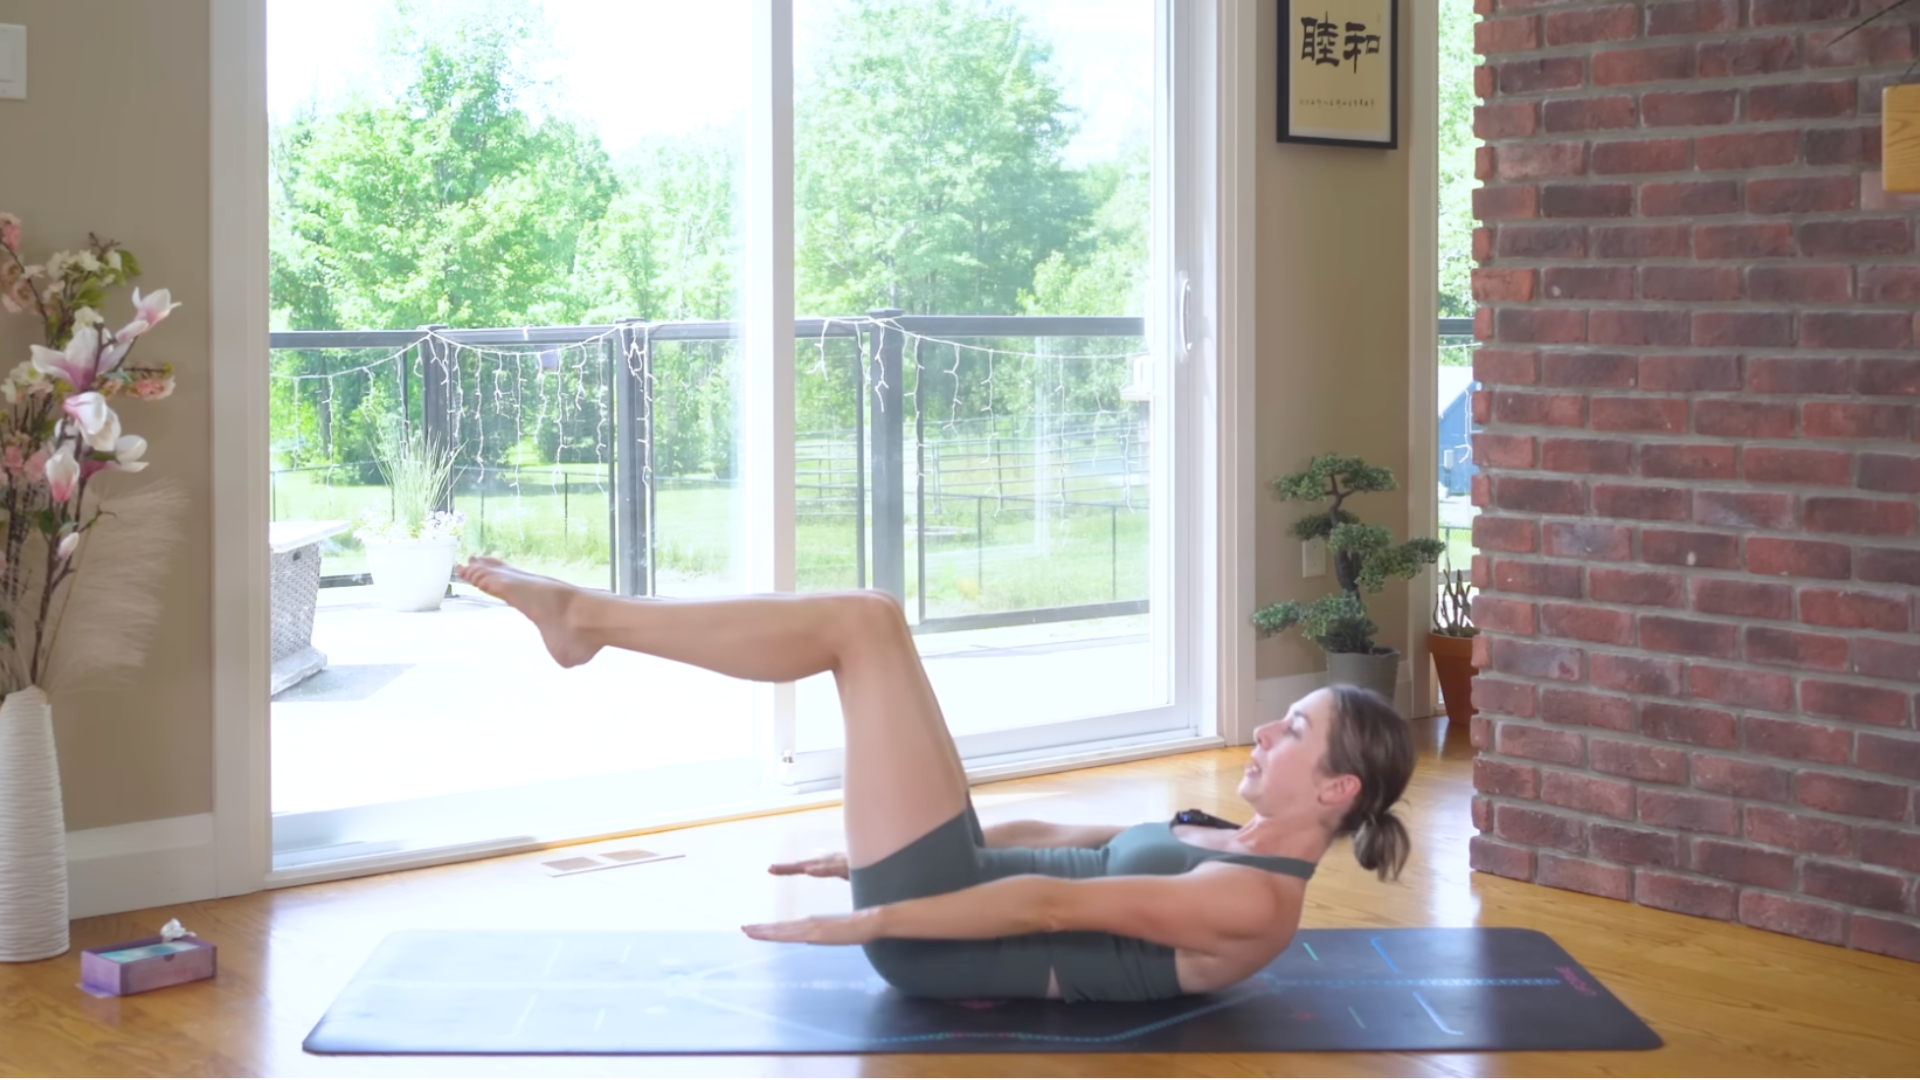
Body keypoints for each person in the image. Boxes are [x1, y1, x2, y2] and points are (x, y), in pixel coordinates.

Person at [455, 558, 1416, 1003]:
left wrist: (869, 917)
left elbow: (1044, 906)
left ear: (1336, 792)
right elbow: (1055, 844)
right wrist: (862, 857)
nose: (1261, 729)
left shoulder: (1254, 906)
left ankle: (588, 619)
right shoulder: (1224, 840)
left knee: (858, 629)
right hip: (950, 883)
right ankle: (589, 620)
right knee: (872, 609)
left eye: (1292, 730)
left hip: (940, 936)